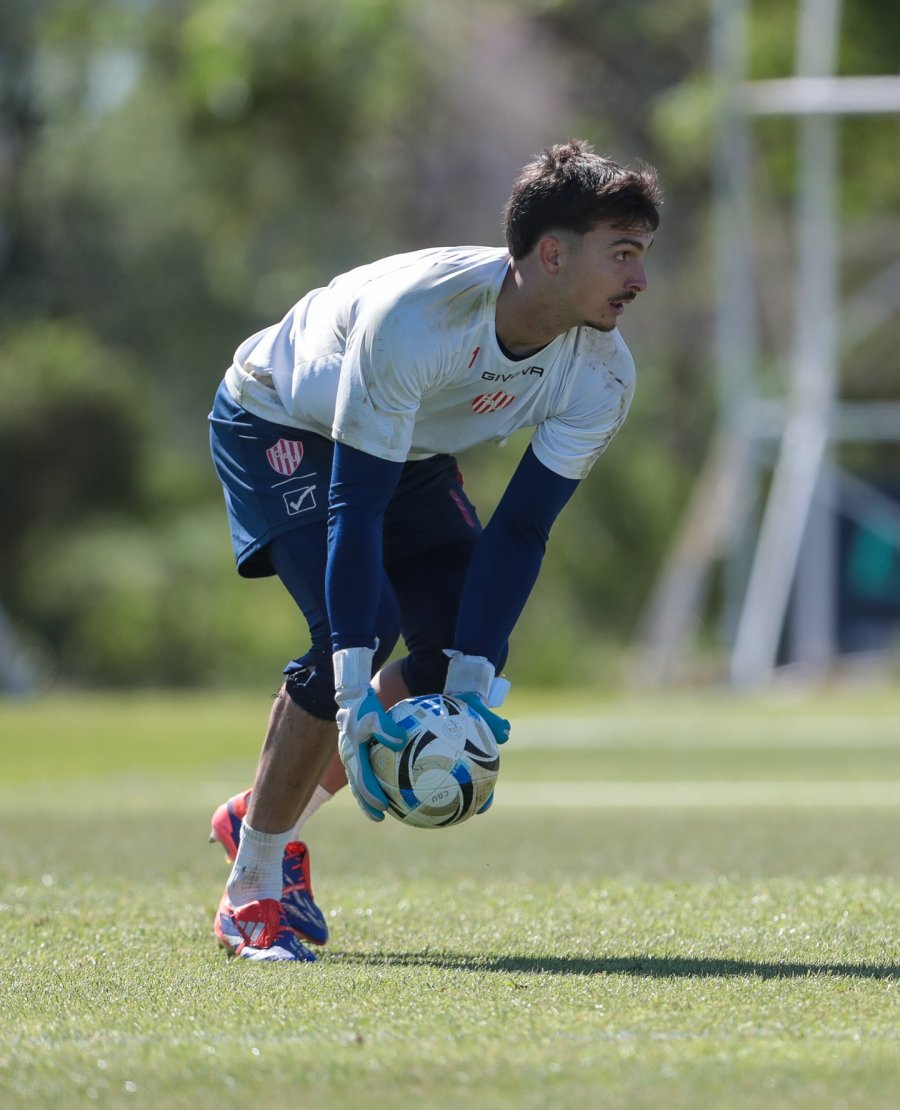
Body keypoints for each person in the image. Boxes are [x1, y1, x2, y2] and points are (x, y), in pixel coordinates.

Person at [208, 139, 662, 961]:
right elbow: (356, 503)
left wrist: (476, 689)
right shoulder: (419, 319)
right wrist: (353, 696)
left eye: (643, 254)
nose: (640, 278)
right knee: (356, 629)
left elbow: (521, 530)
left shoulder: (604, 373)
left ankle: (262, 816)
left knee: (457, 642)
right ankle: (251, 893)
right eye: (622, 254)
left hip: (402, 445)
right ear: (552, 254)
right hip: (281, 420)